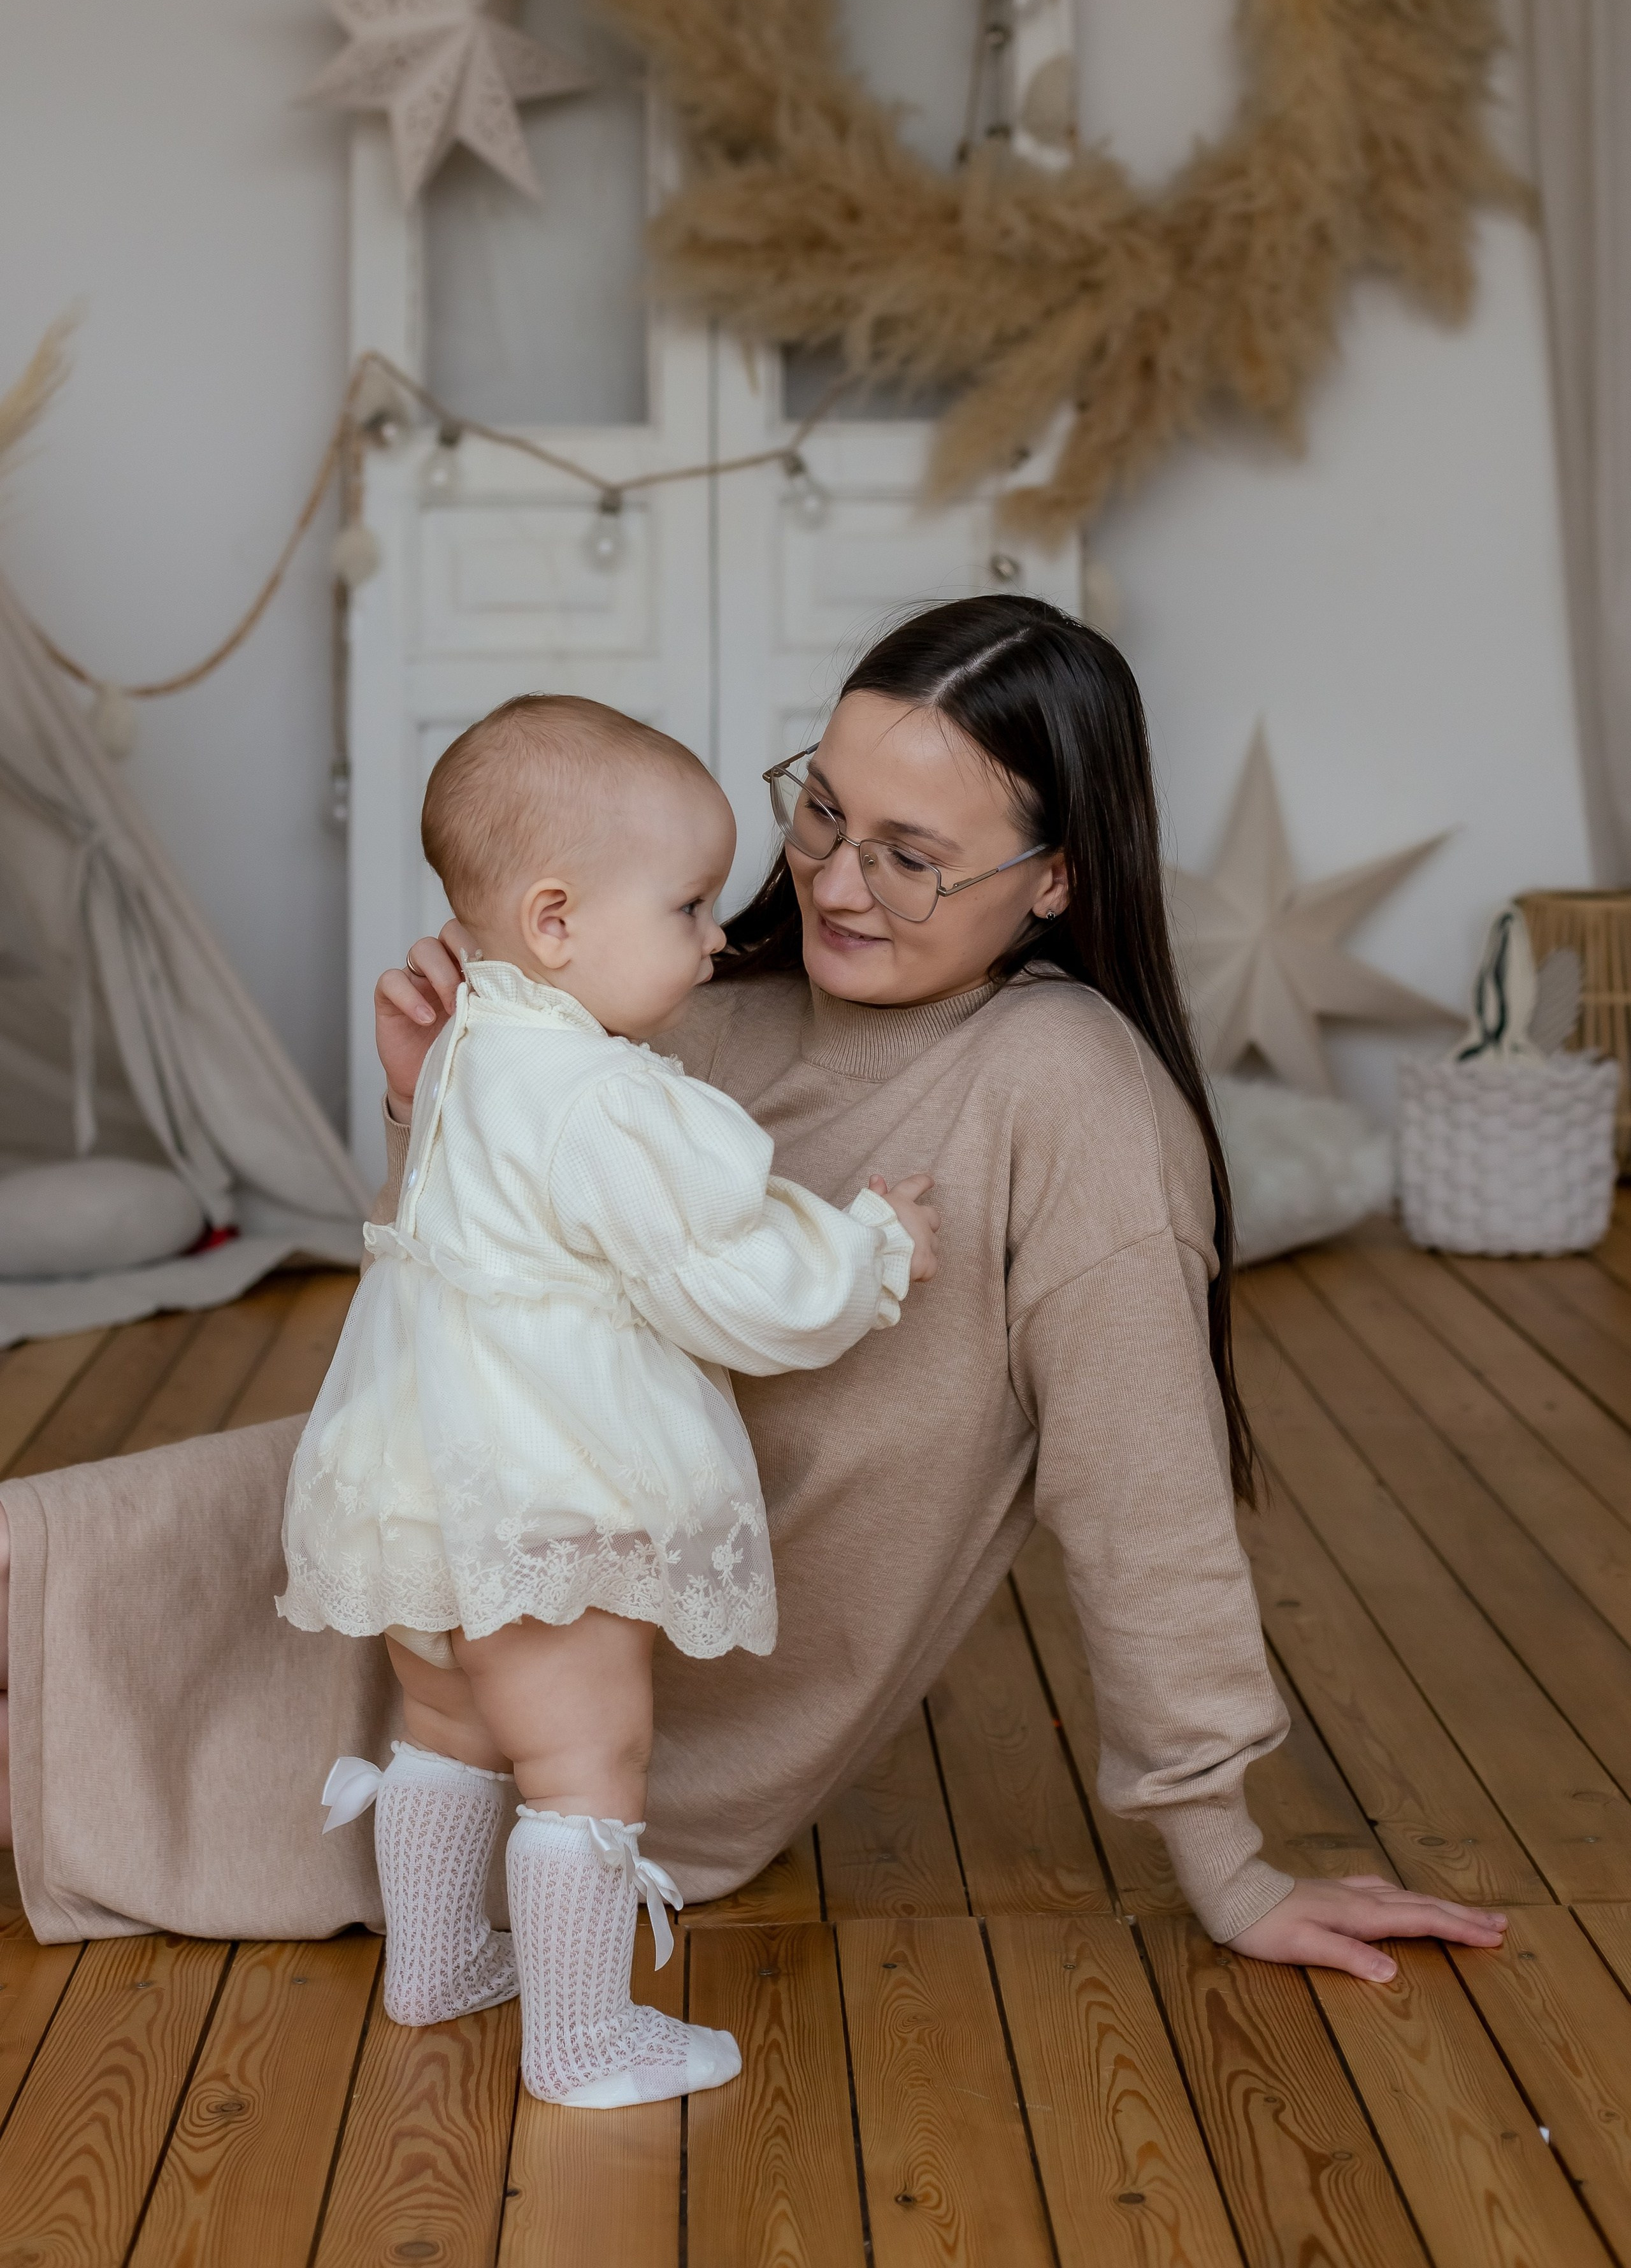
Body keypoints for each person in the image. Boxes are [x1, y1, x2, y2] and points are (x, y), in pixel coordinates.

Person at [0, 594, 1505, 1984]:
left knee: (83, 1674)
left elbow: (1141, 1491)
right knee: (56, 1558)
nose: (835, 882)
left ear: (1054, 878)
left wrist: (1227, 1867)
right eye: (821, 812)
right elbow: (475, 1312)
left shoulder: (1065, 1098)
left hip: (607, 1721)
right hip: (433, 1534)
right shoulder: (680, 1008)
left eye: (909, 858)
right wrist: (432, 1113)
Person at [282, 694, 933, 2107]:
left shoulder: (470, 1048)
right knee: (587, 1755)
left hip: (416, 1475)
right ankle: (583, 2041)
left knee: (449, 1723)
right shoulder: (608, 1100)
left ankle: (436, 1960)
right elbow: (731, 1278)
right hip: (545, 1483)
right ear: (558, 918)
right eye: (691, 903)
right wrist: (871, 1249)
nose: (717, 935)